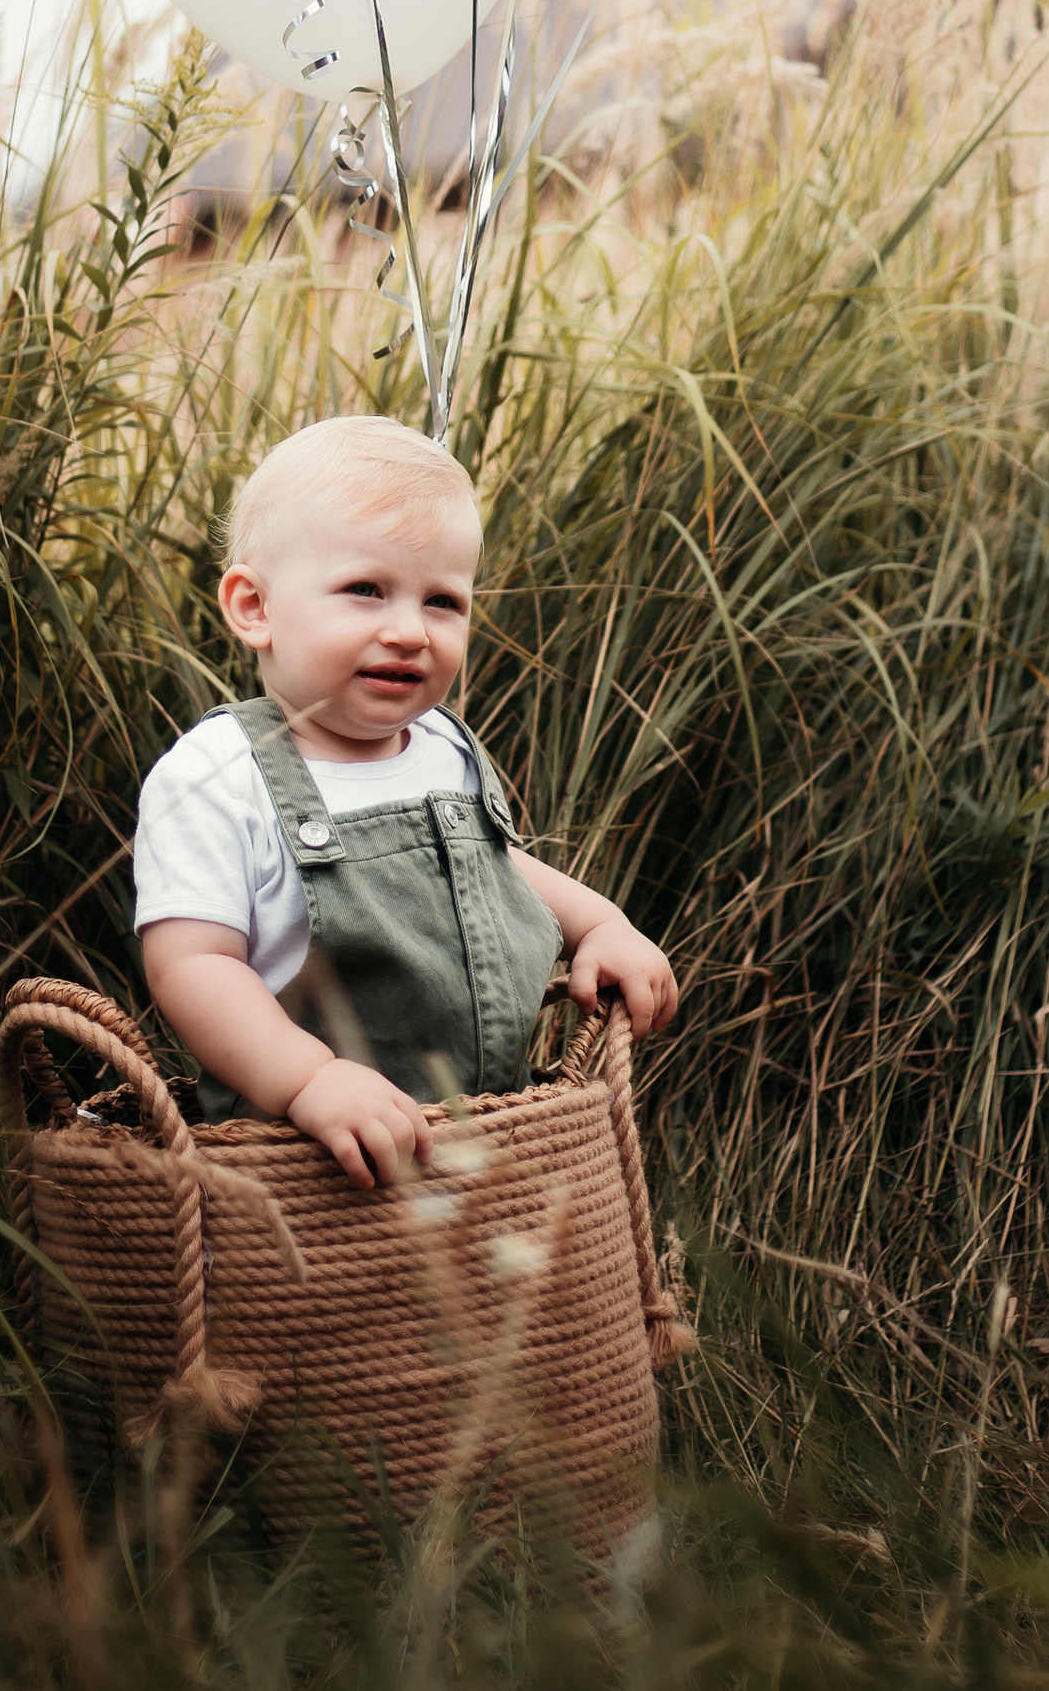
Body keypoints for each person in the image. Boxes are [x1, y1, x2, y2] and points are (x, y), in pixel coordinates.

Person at [134, 415, 680, 1191]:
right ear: (254, 607)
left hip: (496, 1133)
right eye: (366, 591)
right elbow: (192, 965)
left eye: (442, 602)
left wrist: (601, 924)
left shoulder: (444, 748)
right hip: (307, 1162)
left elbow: (494, 867)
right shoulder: (218, 775)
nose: (408, 631)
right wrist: (309, 1080)